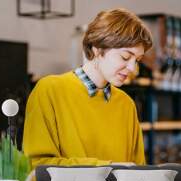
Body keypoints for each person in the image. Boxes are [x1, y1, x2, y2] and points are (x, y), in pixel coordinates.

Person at [23, 8, 153, 168]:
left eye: (137, 60)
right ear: (97, 49)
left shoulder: (126, 105)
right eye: (125, 57)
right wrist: (108, 168)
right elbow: (37, 167)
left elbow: (137, 171)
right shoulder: (49, 90)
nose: (132, 68)